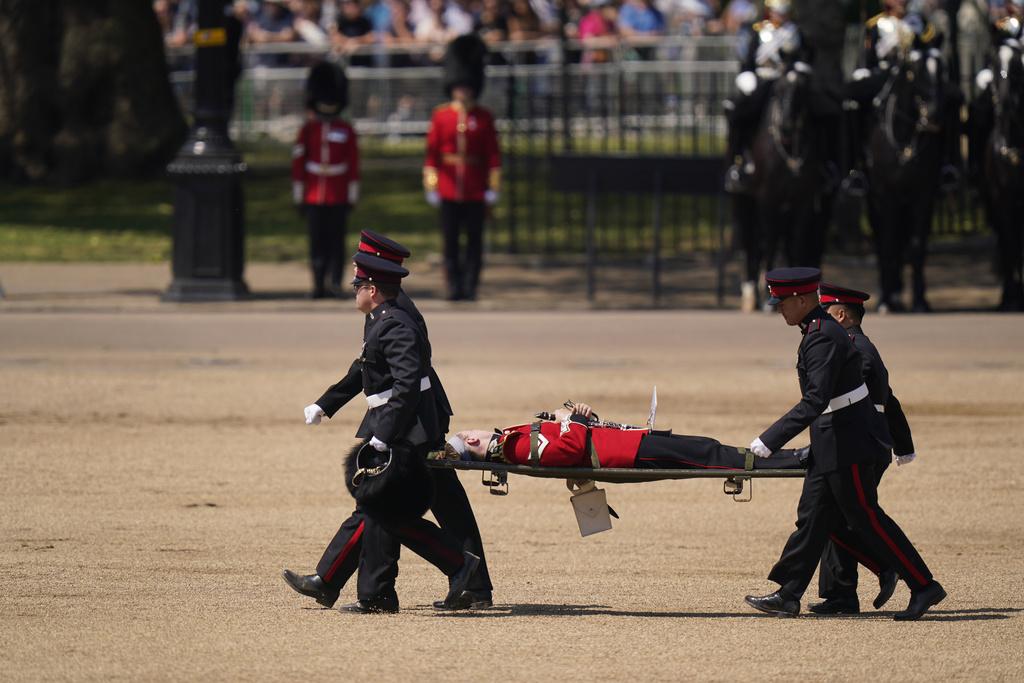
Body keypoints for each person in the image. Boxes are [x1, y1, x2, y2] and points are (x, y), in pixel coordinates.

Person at [283, 233, 493, 612]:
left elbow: (407, 382)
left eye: (357, 279)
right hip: (408, 419)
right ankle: (458, 582)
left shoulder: (394, 317)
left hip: (407, 423)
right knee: (420, 504)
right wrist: (326, 403)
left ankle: (382, 587)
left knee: (382, 507)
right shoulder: (383, 312)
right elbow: (366, 365)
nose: (352, 284)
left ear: (374, 285)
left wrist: (383, 435)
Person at [743, 267, 944, 621]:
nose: (778, 309)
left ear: (803, 300)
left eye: (782, 302)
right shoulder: (816, 330)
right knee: (813, 518)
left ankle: (923, 584)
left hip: (847, 441)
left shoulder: (822, 336)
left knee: (865, 517)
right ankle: (789, 593)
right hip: (832, 439)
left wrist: (769, 440)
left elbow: (816, 399)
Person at [808, 282, 917, 615]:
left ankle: (889, 568)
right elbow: (890, 398)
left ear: (841, 316)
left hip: (858, 444)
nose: (819, 321)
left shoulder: (856, 350)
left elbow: (875, 401)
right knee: (839, 516)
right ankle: (840, 593)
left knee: (852, 517)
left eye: (825, 313)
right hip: (861, 442)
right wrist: (903, 445)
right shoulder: (857, 346)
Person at [444, 402, 807, 471]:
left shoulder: (511, 439)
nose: (473, 430)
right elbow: (570, 448)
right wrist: (571, 420)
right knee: (707, 452)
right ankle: (792, 459)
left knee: (705, 447)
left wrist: (582, 418)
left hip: (623, 442)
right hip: (626, 453)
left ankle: (789, 457)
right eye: (468, 433)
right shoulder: (514, 445)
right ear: (473, 443)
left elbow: (575, 436)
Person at [423, 34, 501, 301]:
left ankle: (471, 286)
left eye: (467, 85)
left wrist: (493, 187)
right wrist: (432, 185)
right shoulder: (441, 115)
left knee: (474, 242)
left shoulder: (484, 116)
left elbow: (492, 154)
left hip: (475, 188)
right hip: (448, 187)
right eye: (460, 85)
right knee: (451, 242)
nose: (463, 90)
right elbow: (432, 154)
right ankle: (453, 286)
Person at [291, 61, 360, 299]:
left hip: (338, 192)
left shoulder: (345, 129)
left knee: (336, 242)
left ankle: (334, 283)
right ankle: (318, 283)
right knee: (316, 242)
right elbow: (299, 162)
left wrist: (352, 192)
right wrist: (299, 193)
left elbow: (352, 162)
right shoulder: (308, 130)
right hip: (313, 193)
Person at [723, 0, 805, 192]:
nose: (781, 15)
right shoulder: (759, 31)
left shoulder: (795, 32)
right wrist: (748, 77)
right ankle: (737, 162)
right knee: (740, 113)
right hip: (764, 82)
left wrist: (799, 69)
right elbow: (749, 61)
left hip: (789, 83)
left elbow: (803, 57)